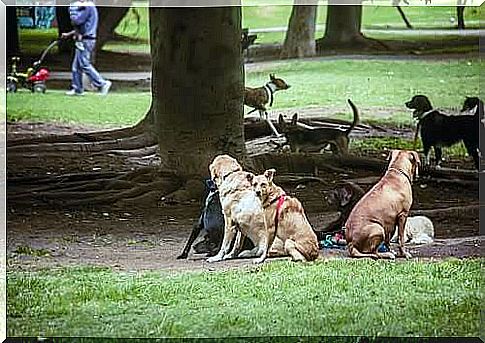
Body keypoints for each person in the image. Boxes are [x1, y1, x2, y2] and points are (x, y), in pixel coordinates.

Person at [62, 0, 111, 96]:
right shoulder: (86, 6)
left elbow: (77, 21)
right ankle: (78, 89)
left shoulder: (87, 6)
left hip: (86, 40)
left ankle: (103, 83)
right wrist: (69, 34)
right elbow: (82, 24)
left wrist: (72, 11)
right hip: (83, 40)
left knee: (84, 64)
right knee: (76, 66)